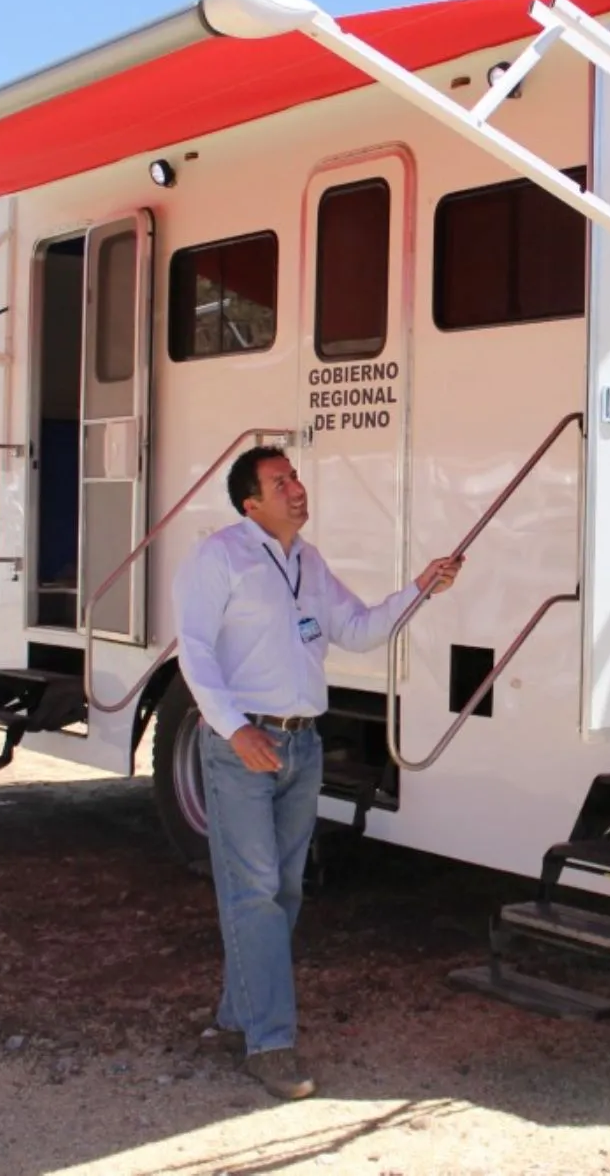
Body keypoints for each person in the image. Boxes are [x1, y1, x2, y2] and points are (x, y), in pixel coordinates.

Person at [173, 444, 462, 1101]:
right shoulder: (219, 557)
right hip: (244, 747)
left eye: (295, 477)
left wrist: (420, 590)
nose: (297, 488)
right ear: (251, 504)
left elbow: (357, 630)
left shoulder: (306, 560)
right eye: (281, 483)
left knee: (285, 894)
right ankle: (270, 1043)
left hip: (300, 748)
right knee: (255, 892)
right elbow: (191, 648)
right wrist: (232, 727)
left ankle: (236, 1015)